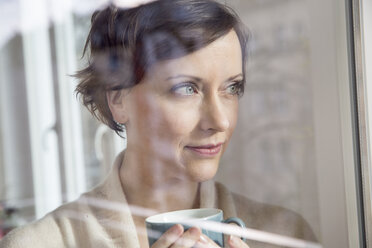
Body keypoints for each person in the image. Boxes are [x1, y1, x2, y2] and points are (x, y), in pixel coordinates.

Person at [0, 0, 316, 247]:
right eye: (185, 89)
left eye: (232, 88)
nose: (219, 120)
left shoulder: (284, 233)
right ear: (117, 99)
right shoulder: (38, 244)